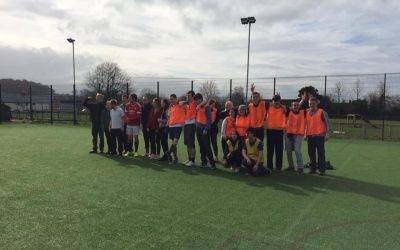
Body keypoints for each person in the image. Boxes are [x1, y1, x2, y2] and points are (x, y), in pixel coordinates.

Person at [305, 97, 330, 176]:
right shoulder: (307, 112)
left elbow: (327, 123)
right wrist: (305, 134)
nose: (311, 105)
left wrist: (327, 134)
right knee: (311, 154)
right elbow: (306, 125)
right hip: (310, 137)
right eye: (310, 104)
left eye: (313, 103)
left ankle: (322, 170)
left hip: (320, 136)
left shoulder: (322, 112)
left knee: (321, 154)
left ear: (316, 104)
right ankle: (313, 170)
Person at [195, 93, 216, 169]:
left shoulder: (206, 107)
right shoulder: (198, 106)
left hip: (204, 129)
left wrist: (206, 129)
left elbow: (209, 120)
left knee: (207, 146)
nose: (196, 101)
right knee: (201, 146)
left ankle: (212, 164)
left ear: (200, 99)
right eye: (196, 100)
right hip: (198, 128)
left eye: (197, 100)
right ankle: (204, 162)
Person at [266, 94, 286, 171]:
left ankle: (278, 167)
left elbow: (293, 109)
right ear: (272, 101)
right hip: (270, 131)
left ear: (280, 101)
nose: (276, 103)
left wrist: (281, 105)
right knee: (270, 151)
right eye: (274, 101)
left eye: (277, 101)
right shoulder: (269, 107)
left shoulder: (283, 109)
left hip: (279, 132)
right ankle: (269, 166)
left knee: (279, 151)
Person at [285, 101, 306, 174]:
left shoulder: (303, 112)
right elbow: (283, 108)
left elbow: (313, 106)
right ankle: (291, 166)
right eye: (294, 105)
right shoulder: (288, 112)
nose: (296, 106)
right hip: (289, 134)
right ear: (291, 106)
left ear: (299, 106)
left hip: (298, 134)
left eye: (297, 105)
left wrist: (303, 100)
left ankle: (300, 167)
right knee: (288, 151)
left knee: (297, 150)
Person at [167, 94, 186, 163]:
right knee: (173, 143)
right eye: (170, 99)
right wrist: (168, 124)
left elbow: (187, 102)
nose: (171, 100)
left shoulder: (180, 104)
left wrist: (179, 101)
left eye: (172, 99)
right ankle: (175, 158)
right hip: (171, 126)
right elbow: (169, 116)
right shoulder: (171, 107)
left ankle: (168, 153)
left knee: (175, 142)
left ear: (175, 99)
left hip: (178, 126)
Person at [183, 91, 197, 167]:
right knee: (187, 143)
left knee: (191, 143)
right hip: (186, 124)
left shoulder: (195, 103)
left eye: (190, 96)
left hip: (192, 125)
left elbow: (205, 102)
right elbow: (180, 103)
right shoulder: (187, 104)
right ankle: (189, 159)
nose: (188, 97)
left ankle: (192, 160)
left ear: (193, 96)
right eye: (187, 95)